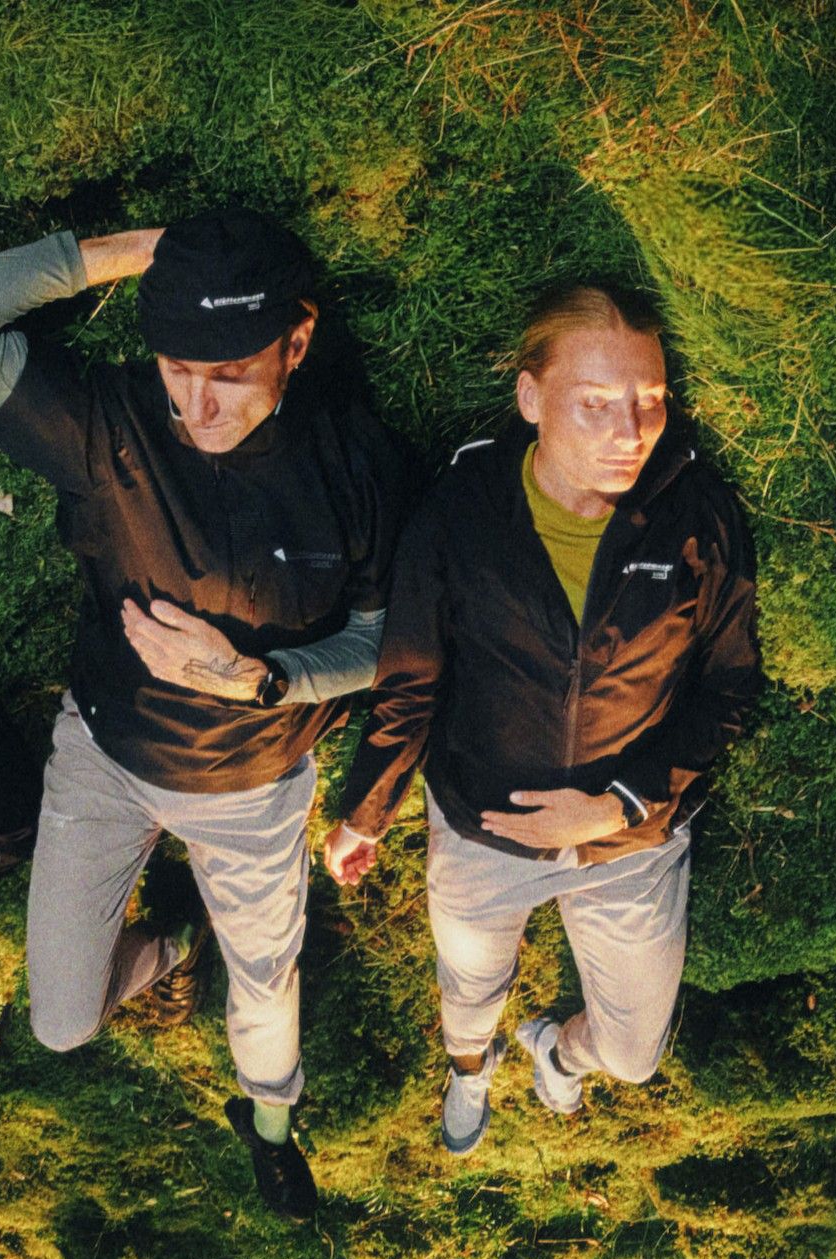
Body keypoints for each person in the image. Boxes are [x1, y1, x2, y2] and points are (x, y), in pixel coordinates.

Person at [0, 209, 410, 1218]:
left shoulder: (357, 466)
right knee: (60, 1024)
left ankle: (271, 1128)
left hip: (252, 785)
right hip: (106, 758)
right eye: (178, 366)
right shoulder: (111, 426)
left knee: (267, 992)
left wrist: (261, 680)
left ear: (296, 342)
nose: (199, 404)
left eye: (229, 371)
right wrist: (139, 256)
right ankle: (174, 941)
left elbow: (384, 641)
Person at [323, 283, 760, 1155]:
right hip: (483, 827)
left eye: (649, 399)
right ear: (530, 398)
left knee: (632, 1057)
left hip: (630, 843)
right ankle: (469, 1067)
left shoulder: (699, 515)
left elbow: (729, 690)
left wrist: (619, 805)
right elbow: (410, 681)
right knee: (468, 987)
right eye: (594, 403)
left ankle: (558, 1050)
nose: (630, 431)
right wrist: (366, 811)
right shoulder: (457, 511)